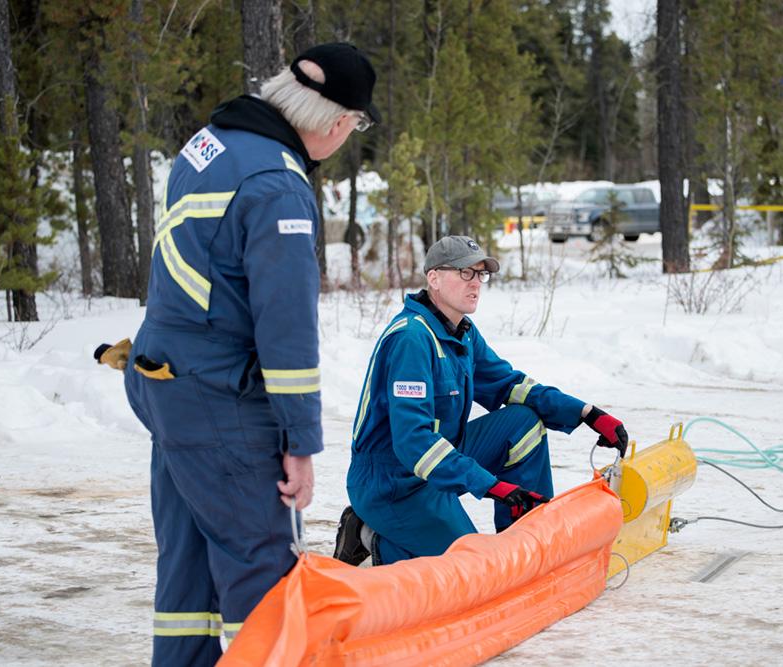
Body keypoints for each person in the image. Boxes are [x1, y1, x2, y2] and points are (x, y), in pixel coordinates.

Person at [124, 43, 379, 666]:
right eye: (356, 125)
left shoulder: (209, 144)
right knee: (263, 566)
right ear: (337, 122)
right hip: (218, 397)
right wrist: (300, 442)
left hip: (166, 377)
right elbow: (286, 330)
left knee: (187, 562)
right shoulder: (278, 186)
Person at [334, 235, 628, 566]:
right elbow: (413, 441)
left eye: (480, 274)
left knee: (523, 423)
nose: (475, 283)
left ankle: (525, 536)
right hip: (393, 483)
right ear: (434, 278)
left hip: (437, 461)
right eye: (465, 273)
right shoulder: (411, 339)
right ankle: (368, 534)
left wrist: (586, 413)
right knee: (470, 565)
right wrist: (490, 485)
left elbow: (510, 385)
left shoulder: (462, 332)